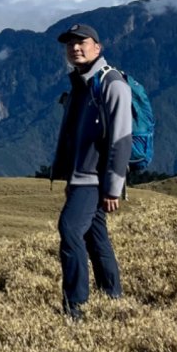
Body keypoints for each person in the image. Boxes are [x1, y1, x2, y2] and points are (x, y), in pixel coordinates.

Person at [51, 23, 132, 321]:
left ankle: (76, 307)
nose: (75, 48)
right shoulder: (82, 83)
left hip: (94, 179)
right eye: (70, 44)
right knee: (96, 239)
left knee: (70, 229)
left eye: (82, 42)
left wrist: (113, 187)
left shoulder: (112, 83)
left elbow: (122, 139)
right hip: (80, 177)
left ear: (97, 47)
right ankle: (113, 297)